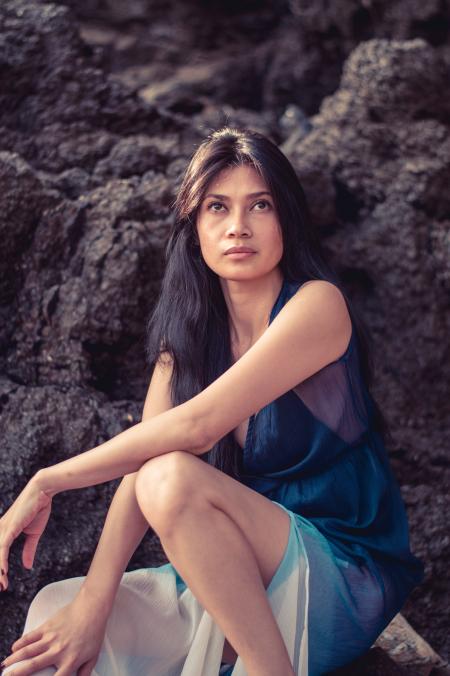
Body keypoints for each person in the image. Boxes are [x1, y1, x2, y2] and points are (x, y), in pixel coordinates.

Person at [0, 126, 424, 676]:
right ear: (193, 226)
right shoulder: (187, 343)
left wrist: (47, 479)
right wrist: (93, 606)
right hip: (243, 581)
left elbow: (194, 431)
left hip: (340, 574)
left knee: (169, 477)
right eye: (217, 208)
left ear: (286, 219)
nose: (237, 227)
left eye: (260, 205)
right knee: (55, 618)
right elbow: (138, 471)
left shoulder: (318, 306)